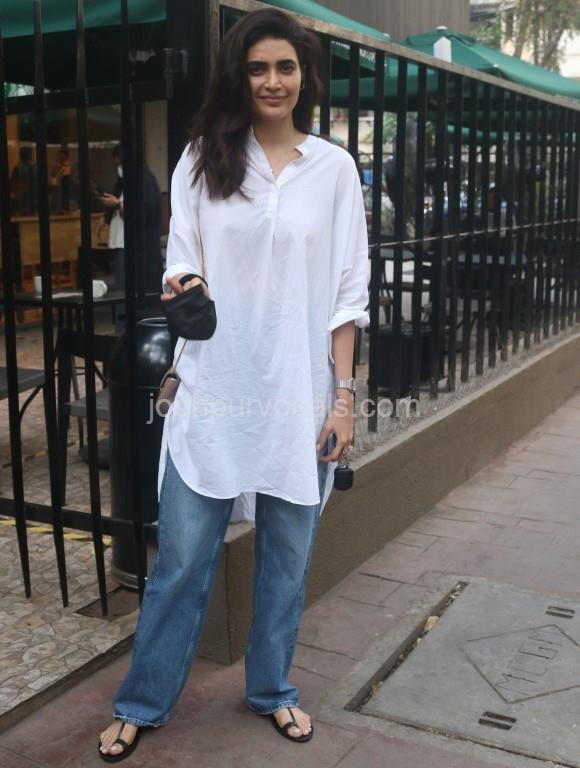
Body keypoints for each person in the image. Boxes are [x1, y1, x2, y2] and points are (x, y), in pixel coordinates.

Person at [98, 7, 369, 761]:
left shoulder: (334, 170)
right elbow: (181, 259)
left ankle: (272, 689)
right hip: (214, 391)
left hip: (299, 396)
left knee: (286, 561)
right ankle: (142, 701)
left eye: (285, 67)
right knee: (183, 562)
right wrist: (184, 283)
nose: (272, 81)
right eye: (257, 68)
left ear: (305, 76)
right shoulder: (201, 159)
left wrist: (344, 399)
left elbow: (347, 295)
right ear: (238, 77)